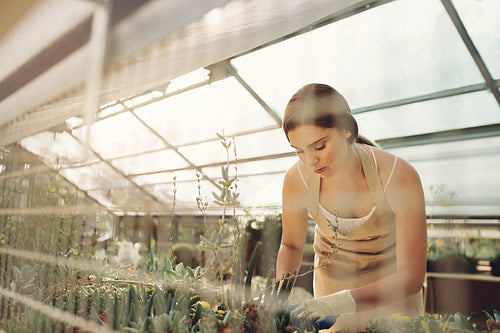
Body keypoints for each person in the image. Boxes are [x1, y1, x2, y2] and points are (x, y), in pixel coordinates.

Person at [276, 83, 427, 332]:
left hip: (391, 298)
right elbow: (290, 245)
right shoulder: (297, 179)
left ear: (346, 129)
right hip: (329, 298)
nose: (310, 160)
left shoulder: (398, 176)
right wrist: (282, 293)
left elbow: (411, 277)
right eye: (299, 151)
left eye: (319, 146)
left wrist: (342, 302)